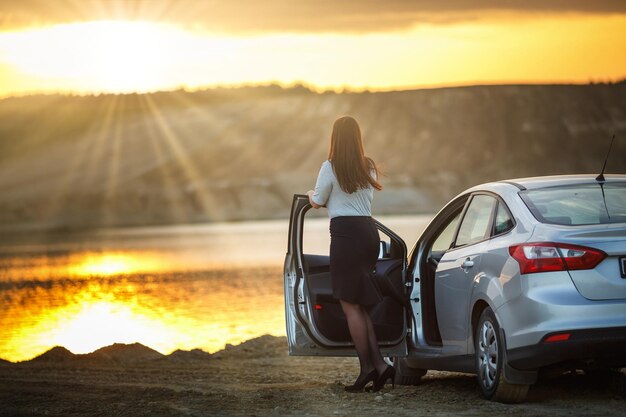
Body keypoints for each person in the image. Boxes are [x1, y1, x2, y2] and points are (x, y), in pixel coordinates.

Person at [306, 116, 394, 393]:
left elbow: (318, 201)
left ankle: (367, 368)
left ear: (335, 138)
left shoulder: (329, 167)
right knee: (360, 304)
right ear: (357, 138)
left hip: (345, 235)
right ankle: (380, 365)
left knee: (349, 303)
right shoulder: (367, 166)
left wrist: (310, 193)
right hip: (369, 233)